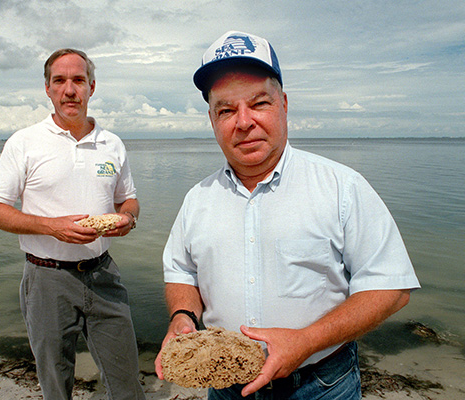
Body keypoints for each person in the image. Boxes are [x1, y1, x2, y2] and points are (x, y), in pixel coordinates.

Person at [155, 31, 420, 399]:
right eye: (226, 110)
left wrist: (305, 342)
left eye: (259, 103)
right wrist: (183, 317)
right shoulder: (197, 199)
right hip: (226, 386)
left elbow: (389, 288)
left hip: (320, 385)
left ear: (284, 104)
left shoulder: (342, 187)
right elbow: (181, 270)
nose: (243, 122)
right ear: (212, 119)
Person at [0, 48, 145, 400]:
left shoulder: (112, 144)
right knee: (56, 385)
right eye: (60, 81)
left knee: (127, 381)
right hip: (46, 279)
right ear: (47, 88)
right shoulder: (24, 142)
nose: (69, 90)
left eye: (78, 80)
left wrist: (128, 218)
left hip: (104, 275)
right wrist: (51, 226)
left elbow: (128, 199)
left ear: (92, 86)